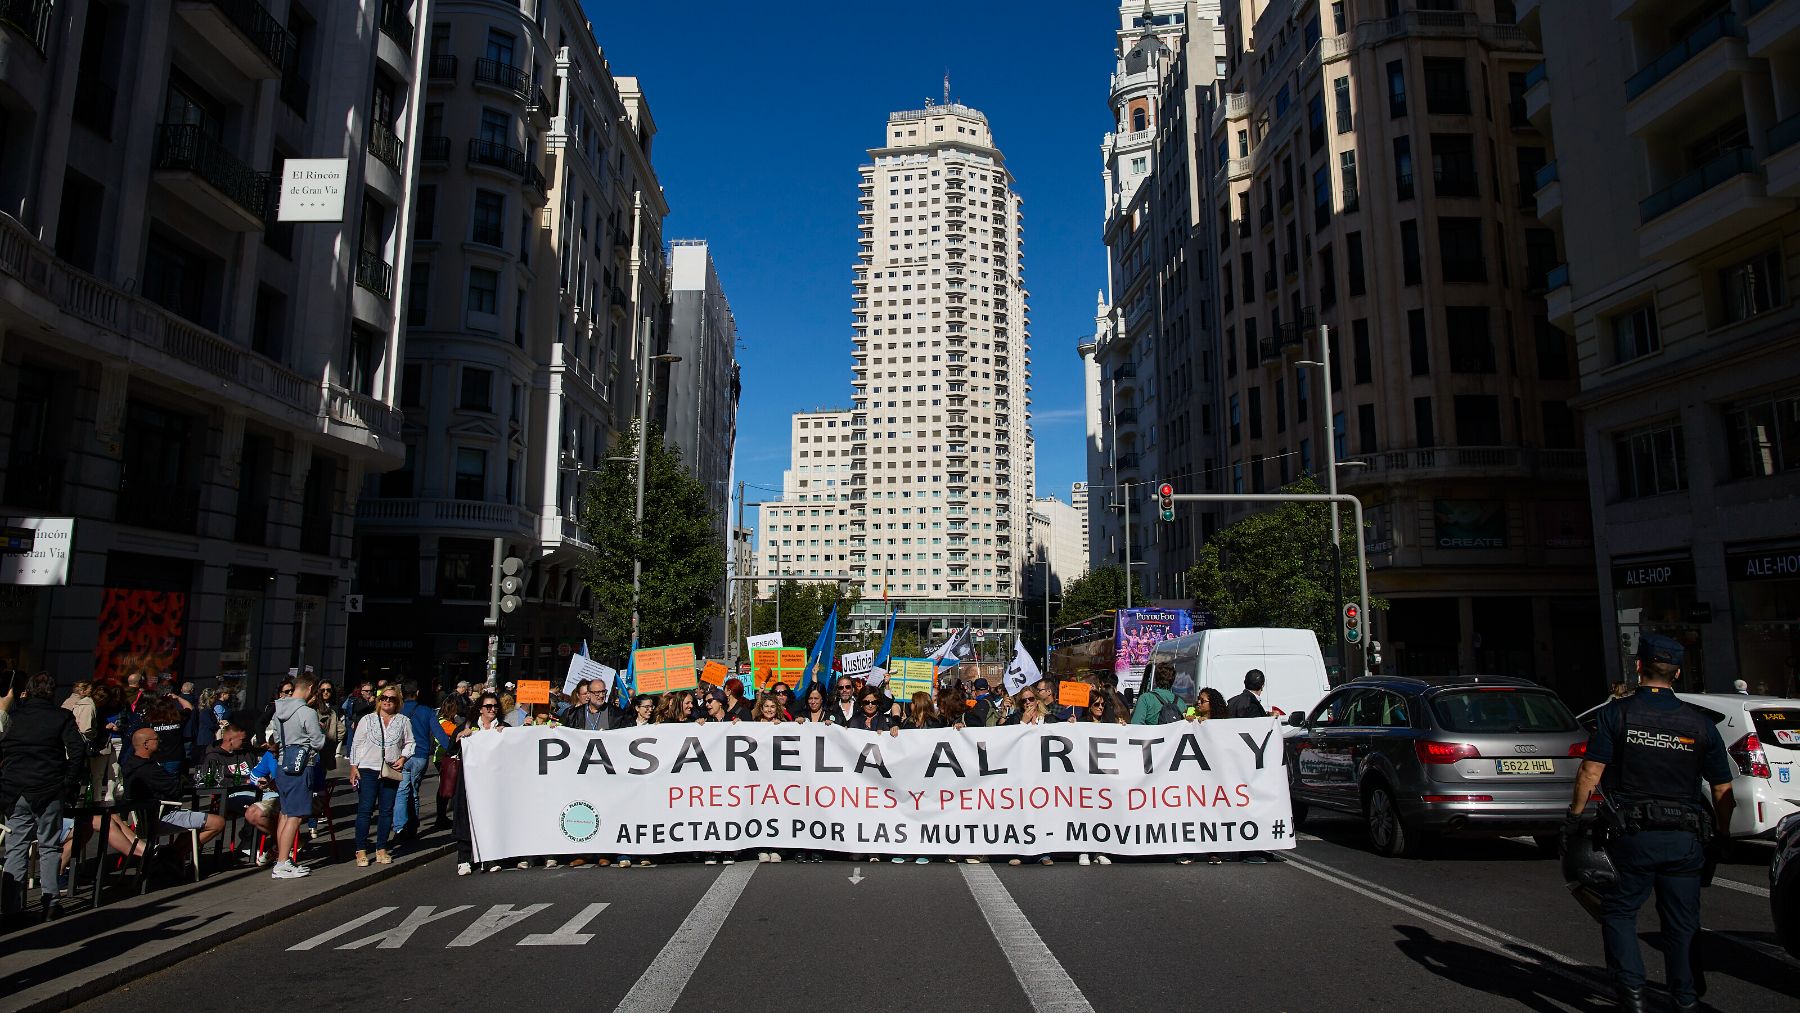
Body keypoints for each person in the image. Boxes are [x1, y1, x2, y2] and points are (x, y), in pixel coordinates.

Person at [1565, 634, 1734, 1013]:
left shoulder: (1616, 714)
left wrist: (1574, 818)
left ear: (1638, 667)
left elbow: (1590, 771)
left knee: (1620, 911)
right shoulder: (1699, 723)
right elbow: (1723, 789)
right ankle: (1685, 998)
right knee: (1682, 923)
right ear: (1677, 673)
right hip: (1685, 838)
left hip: (1632, 836)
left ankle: (1633, 995)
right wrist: (1722, 834)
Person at [0, 673, 86, 922]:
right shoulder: (60, 716)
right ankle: (51, 901)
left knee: (16, 848)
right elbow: (77, 751)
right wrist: (68, 783)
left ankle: (11, 907)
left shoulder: (14, 718)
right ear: (52, 692)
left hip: (16, 788)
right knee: (49, 846)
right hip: (49, 787)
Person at [120, 727, 227, 873]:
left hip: (144, 818)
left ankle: (171, 854)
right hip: (161, 817)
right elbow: (175, 790)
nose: (159, 741)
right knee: (218, 822)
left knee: (193, 821)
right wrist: (182, 779)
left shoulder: (130, 765)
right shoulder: (149, 769)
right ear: (146, 744)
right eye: (156, 739)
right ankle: (173, 855)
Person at [348, 684, 414, 868]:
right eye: (384, 698)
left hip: (390, 770)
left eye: (391, 698)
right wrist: (354, 767)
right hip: (368, 769)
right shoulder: (367, 720)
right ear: (379, 700)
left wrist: (403, 757)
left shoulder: (403, 721)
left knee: (386, 811)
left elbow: (410, 742)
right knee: (365, 811)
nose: (387, 701)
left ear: (398, 702)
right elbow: (356, 744)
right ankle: (361, 850)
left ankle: (381, 848)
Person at [267, 676, 325, 880]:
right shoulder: (306, 712)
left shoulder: (278, 710)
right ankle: (283, 863)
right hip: (301, 766)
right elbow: (318, 743)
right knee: (295, 816)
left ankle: (281, 860)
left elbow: (274, 737)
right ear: (309, 689)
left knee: (285, 813)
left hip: (283, 764)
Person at [1179, 688, 1232, 866]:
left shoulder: (1222, 723)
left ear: (1213, 704)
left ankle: (1213, 852)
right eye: (1198, 701)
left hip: (1215, 776)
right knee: (1193, 812)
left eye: (1203, 701)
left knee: (1213, 812)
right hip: (1194, 774)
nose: (1199, 704)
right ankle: (1190, 852)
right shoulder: (1191, 717)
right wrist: (1189, 722)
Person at [394, 681, 449, 849]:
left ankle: (400, 828)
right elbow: (439, 732)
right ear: (417, 693)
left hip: (401, 756)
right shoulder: (426, 711)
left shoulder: (397, 711)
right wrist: (451, 749)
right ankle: (412, 827)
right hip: (420, 756)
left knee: (402, 791)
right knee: (414, 790)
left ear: (401, 694)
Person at [455, 692, 504, 875]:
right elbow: (452, 746)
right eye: (488, 707)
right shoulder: (470, 726)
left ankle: (489, 858)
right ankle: (464, 858)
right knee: (466, 817)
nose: (492, 710)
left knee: (490, 818)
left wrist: (504, 734)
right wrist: (461, 735)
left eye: (495, 707)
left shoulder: (503, 727)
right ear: (480, 709)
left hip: (494, 782)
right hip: (470, 782)